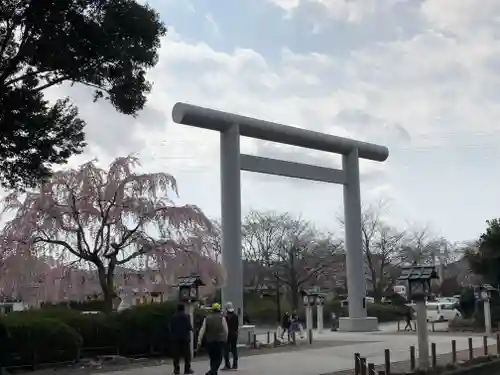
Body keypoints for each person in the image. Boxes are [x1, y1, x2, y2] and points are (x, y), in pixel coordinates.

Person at [197, 303, 228, 375]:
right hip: (219, 341)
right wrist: (226, 338)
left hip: (209, 341)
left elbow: (202, 330)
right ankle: (212, 372)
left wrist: (199, 340)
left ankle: (213, 372)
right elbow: (226, 330)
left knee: (212, 358)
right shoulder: (222, 318)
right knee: (219, 359)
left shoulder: (207, 318)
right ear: (219, 309)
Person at [170, 304, 194, 374]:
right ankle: (187, 369)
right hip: (185, 338)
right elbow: (189, 327)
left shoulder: (173, 317)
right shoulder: (186, 316)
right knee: (187, 355)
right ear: (183, 309)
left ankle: (176, 369)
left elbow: (171, 327)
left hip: (175, 338)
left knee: (176, 355)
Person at [222, 302, 239, 370]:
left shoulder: (225, 317)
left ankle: (227, 365)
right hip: (234, 335)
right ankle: (235, 365)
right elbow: (236, 326)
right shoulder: (236, 316)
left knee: (226, 350)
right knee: (234, 349)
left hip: (227, 335)